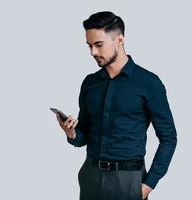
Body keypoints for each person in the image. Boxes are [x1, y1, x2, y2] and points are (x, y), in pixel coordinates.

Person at [55, 11, 177, 200]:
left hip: (128, 180)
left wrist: (148, 184)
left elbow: (169, 138)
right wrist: (71, 133)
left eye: (98, 45)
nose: (93, 52)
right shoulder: (90, 83)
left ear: (119, 39)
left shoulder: (149, 83)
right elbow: (83, 136)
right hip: (90, 176)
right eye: (89, 46)